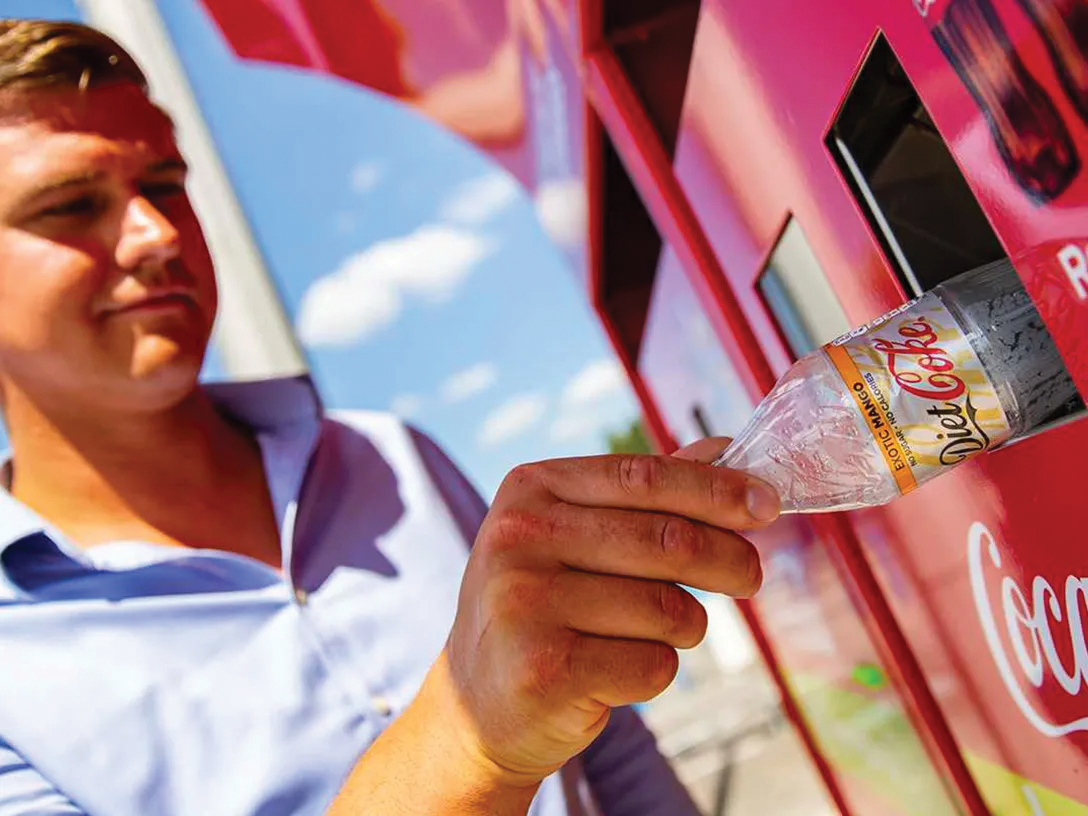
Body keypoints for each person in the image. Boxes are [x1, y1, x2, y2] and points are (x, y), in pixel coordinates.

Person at [0, 19, 780, 816]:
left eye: (165, 183)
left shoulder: (391, 456)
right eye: (68, 206)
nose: (156, 234)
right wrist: (473, 738)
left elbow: (607, 748)